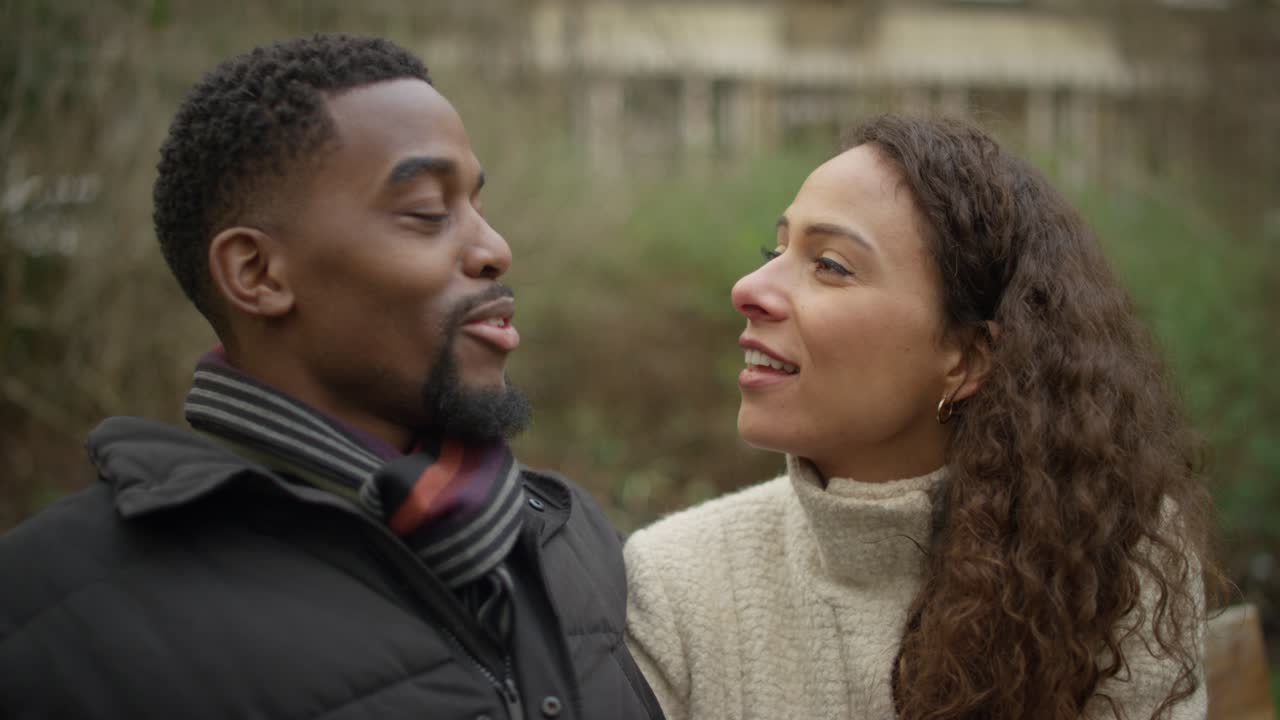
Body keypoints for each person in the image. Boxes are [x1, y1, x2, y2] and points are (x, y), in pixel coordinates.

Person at [0, 34, 663, 720]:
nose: (495, 249)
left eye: (479, 207)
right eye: (428, 214)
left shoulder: (578, 542)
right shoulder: (52, 621)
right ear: (257, 274)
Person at [624, 115, 1215, 720]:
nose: (749, 287)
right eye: (773, 251)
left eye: (829, 264)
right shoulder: (674, 583)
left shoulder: (1108, 560)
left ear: (966, 358)